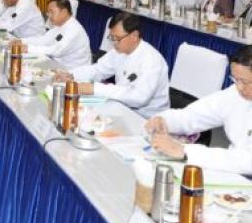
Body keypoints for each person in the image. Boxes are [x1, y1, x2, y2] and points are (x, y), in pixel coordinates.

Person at [146, 46, 252, 174]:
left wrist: (185, 151)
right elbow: (193, 116)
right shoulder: (234, 94)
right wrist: (165, 120)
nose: (239, 87)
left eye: (244, 82)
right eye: (235, 80)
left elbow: (247, 161)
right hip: (234, 172)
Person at [58, 12, 170, 118]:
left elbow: (139, 98)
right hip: (121, 106)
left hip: (146, 118)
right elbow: (98, 70)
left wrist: (95, 88)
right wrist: (72, 75)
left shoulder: (152, 61)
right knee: (75, 107)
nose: (114, 43)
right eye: (112, 38)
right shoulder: (119, 51)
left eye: (117, 38)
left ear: (134, 35)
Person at [22, 0, 92, 68]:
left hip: (73, 70)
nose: (49, 15)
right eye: (48, 12)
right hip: (58, 64)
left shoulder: (74, 30)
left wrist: (28, 48)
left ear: (64, 12)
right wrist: (22, 41)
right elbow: (44, 40)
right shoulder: (60, 25)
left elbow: (57, 51)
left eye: (52, 12)